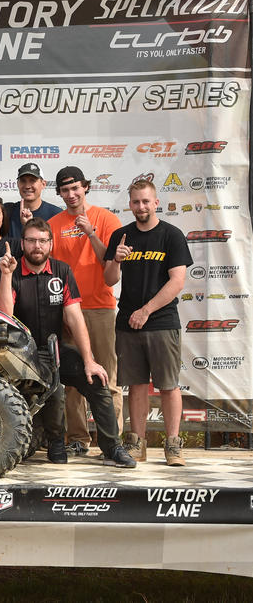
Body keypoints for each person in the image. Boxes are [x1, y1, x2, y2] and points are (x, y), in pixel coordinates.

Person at [0, 218, 136, 468]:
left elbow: (75, 318)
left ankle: (112, 446)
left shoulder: (62, 270)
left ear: (51, 243)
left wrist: (90, 360)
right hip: (22, 356)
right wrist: (6, 275)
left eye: (42, 241)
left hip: (55, 350)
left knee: (98, 381)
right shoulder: (11, 270)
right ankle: (56, 443)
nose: (36, 246)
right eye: (31, 241)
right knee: (55, 388)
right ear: (22, 243)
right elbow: (4, 315)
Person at [104, 180, 192, 466]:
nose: (141, 207)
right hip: (128, 322)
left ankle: (173, 445)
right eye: (135, 202)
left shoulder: (172, 235)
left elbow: (177, 282)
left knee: (168, 385)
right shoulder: (121, 235)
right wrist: (115, 260)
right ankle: (136, 443)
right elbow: (109, 280)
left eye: (146, 201)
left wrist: (146, 310)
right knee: (136, 385)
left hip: (162, 321)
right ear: (129, 204)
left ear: (156, 203)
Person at [48, 166, 123, 457]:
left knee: (109, 379)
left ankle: (112, 443)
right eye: (65, 190)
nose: (71, 194)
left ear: (86, 187)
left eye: (75, 188)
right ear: (60, 193)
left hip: (101, 307)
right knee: (72, 380)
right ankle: (78, 438)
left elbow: (111, 269)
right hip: (67, 310)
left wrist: (91, 233)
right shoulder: (53, 223)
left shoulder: (106, 218)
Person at [0, 163, 62, 237]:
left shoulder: (56, 214)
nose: (27, 186)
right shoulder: (7, 210)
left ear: (43, 184)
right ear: (18, 184)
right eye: (23, 181)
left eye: (32, 181)